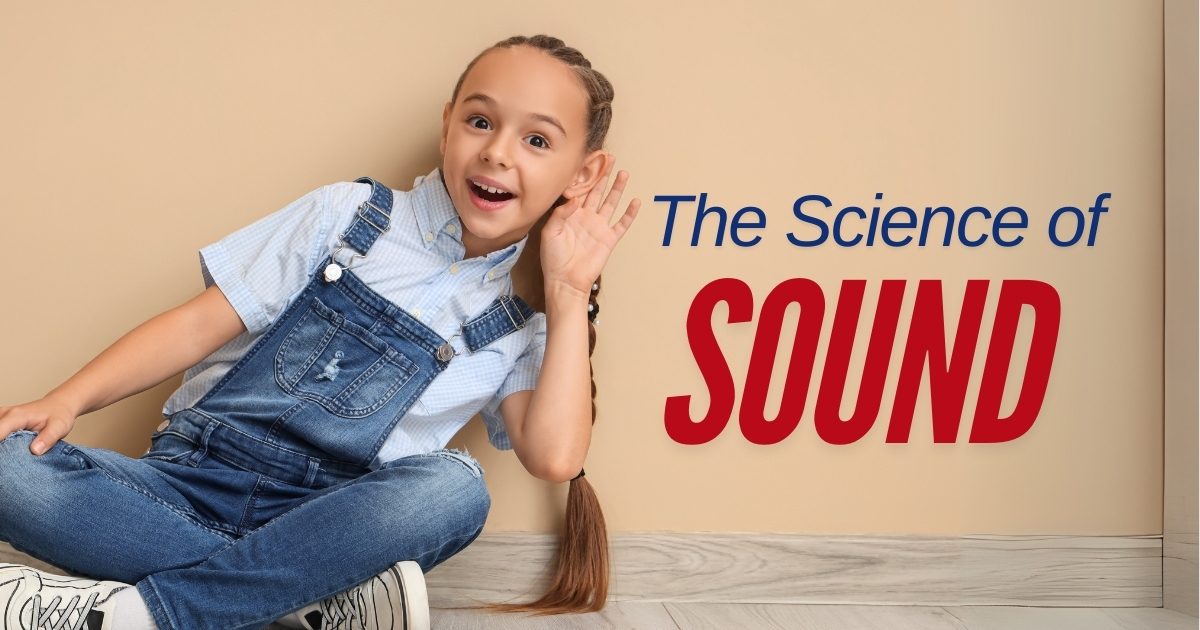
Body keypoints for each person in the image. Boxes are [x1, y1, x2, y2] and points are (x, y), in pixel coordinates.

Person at [0, 34, 639, 630]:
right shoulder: (346, 215)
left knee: (455, 489)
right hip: (181, 488)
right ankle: (302, 600)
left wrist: (567, 292)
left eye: (537, 140)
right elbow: (198, 325)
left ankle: (137, 614)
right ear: (447, 126)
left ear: (582, 174)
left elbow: (555, 458)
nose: (497, 151)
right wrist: (66, 401)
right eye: (480, 121)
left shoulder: (528, 323)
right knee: (6, 465)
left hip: (334, 522)